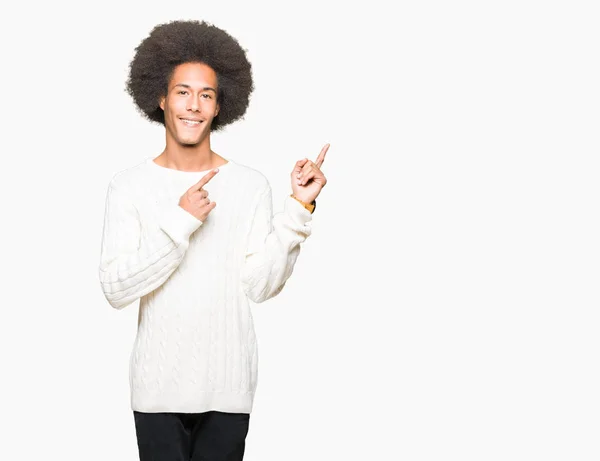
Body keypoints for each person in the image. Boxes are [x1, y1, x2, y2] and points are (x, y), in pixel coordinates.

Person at [97, 19, 329, 461]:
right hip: (157, 394)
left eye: (206, 94)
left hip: (228, 392)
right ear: (161, 98)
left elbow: (260, 287)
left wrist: (298, 209)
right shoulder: (128, 186)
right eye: (182, 91)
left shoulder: (248, 185)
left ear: (221, 106)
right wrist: (180, 222)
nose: (193, 105)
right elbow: (115, 289)